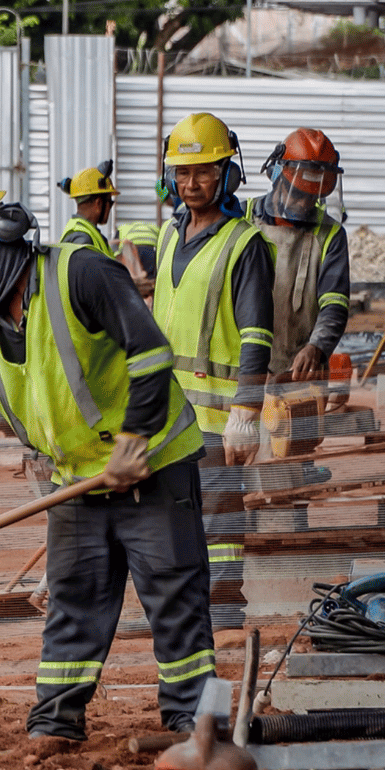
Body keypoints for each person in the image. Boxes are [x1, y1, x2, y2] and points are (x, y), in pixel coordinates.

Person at [0, 173, 214, 744]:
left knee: (174, 597)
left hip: (151, 469)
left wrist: (135, 438)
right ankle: (57, 721)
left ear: (0, 230)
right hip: (77, 482)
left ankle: (191, 721)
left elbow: (150, 354)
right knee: (73, 602)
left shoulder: (81, 272)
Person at [153, 113, 274, 632]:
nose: (191, 184)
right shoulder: (165, 236)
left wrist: (246, 411)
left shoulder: (244, 244)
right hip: (168, 412)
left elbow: (256, 336)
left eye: (203, 171)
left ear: (227, 173)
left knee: (221, 522)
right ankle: (183, 610)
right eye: (182, 173)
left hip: (220, 418)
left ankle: (222, 610)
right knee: (172, 519)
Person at [250, 128, 350, 382]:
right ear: (277, 177)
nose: (305, 204)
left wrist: (316, 347)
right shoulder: (243, 220)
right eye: (299, 194)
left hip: (300, 372)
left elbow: (334, 303)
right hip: (244, 371)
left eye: (314, 198)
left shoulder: (330, 235)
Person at [57, 161, 119, 256]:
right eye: (110, 203)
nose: (110, 208)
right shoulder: (83, 240)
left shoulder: (85, 233)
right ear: (98, 203)